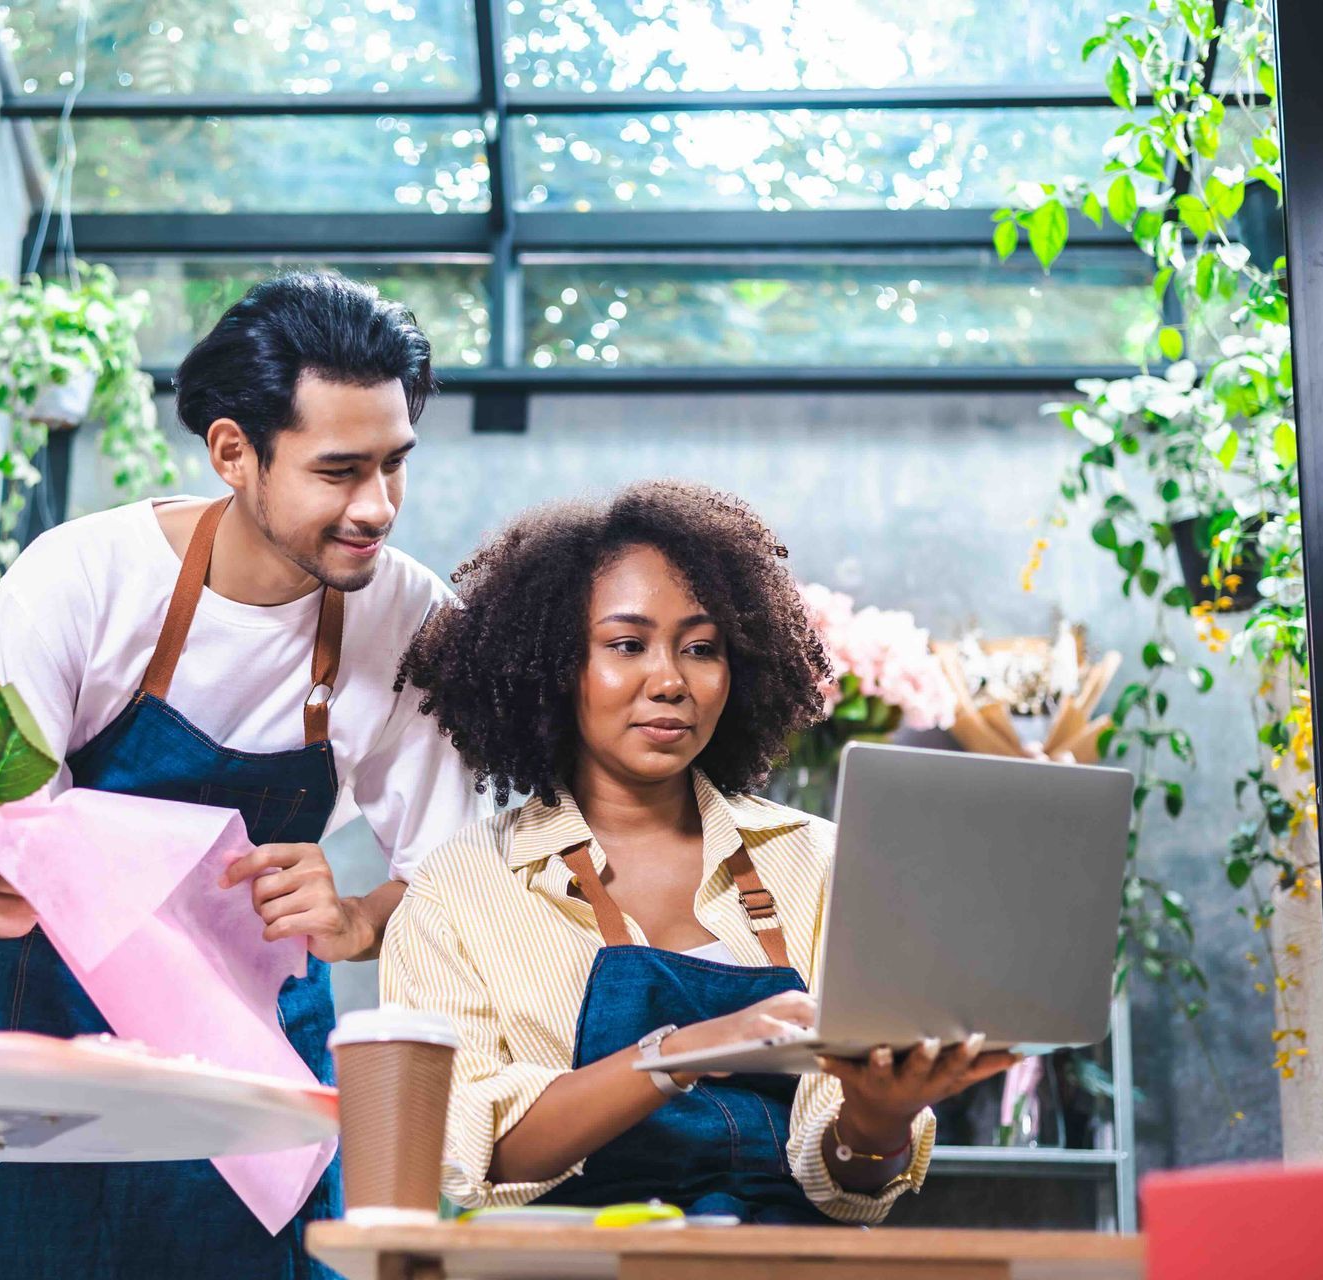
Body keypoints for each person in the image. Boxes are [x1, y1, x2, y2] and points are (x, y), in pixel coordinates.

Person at [0, 273, 484, 1278]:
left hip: (261, 1048)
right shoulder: (75, 579)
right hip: (55, 1044)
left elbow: (459, 878)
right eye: (339, 470)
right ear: (233, 451)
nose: (377, 507)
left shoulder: (409, 614)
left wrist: (361, 917)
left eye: (394, 465)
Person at [382, 481, 1017, 1224]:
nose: (671, 681)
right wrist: (686, 1051)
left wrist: (878, 1118)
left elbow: (857, 1186)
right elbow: (474, 1156)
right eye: (627, 645)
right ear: (555, 666)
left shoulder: (820, 864)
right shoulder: (460, 889)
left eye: (701, 649)